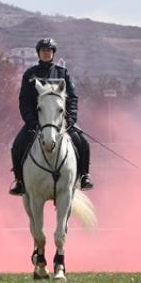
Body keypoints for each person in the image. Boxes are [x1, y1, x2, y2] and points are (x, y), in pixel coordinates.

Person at [9, 38, 93, 196]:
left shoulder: (63, 73)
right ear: (38, 53)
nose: (46, 53)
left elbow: (73, 98)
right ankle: (19, 182)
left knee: (83, 142)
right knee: (17, 146)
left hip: (60, 122)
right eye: (43, 51)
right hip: (36, 123)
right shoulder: (30, 74)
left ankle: (84, 176)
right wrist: (32, 122)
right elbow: (24, 101)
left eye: (49, 50)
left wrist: (71, 119)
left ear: (53, 53)